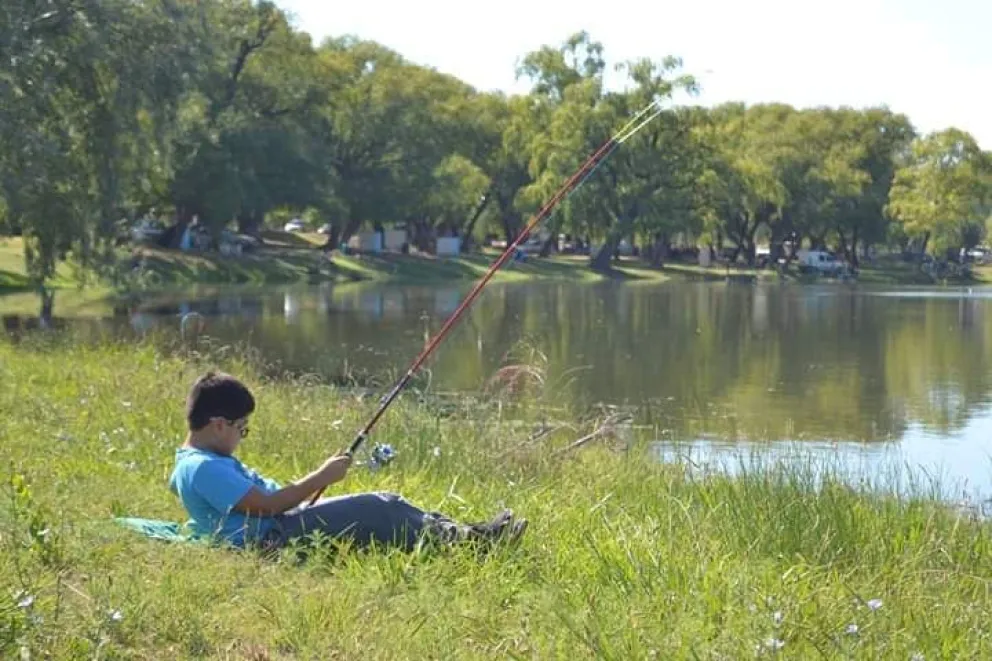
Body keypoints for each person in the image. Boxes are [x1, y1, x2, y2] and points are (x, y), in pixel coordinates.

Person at [168, 371, 526, 553]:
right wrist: (320, 477)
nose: (242, 437)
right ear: (218, 424)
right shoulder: (204, 468)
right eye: (241, 429)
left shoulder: (194, 461)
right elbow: (266, 506)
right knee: (378, 507)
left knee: (388, 502)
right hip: (273, 539)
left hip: (281, 526)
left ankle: (467, 534)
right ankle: (472, 544)